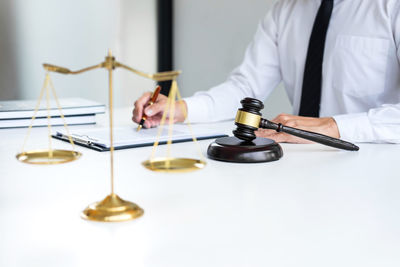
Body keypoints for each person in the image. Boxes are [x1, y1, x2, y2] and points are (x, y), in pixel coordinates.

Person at [133, 0, 400, 144]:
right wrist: (181, 109)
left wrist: (333, 126)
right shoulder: (286, 10)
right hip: (298, 167)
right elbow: (245, 88)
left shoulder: (391, 8)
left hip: (374, 170)